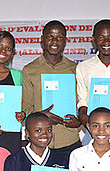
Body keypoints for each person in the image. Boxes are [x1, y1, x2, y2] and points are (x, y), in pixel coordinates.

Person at [22, 20, 81, 162]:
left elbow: (82, 104)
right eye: (50, 37)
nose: (54, 41)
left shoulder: (76, 69)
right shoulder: (30, 70)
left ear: (65, 41)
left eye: (59, 37)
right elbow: (25, 107)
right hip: (39, 144)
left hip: (69, 140)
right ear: (42, 40)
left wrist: (79, 121)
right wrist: (41, 115)